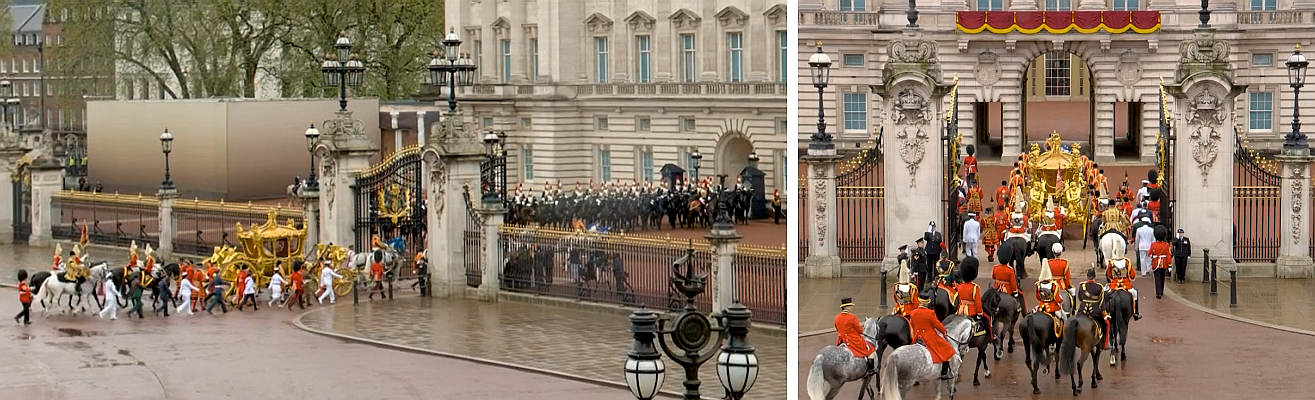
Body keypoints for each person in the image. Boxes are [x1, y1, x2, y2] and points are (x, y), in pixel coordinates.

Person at [909, 295, 956, 380]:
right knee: (947, 349)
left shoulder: (913, 312)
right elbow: (937, 324)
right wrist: (944, 331)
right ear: (927, 303)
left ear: (919, 302)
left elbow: (912, 324)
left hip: (917, 336)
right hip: (928, 336)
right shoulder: (930, 313)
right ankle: (944, 373)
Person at [834, 297, 877, 373]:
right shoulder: (852, 317)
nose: (852, 307)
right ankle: (871, 369)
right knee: (871, 350)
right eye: (850, 305)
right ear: (847, 307)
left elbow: (837, 328)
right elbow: (859, 330)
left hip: (842, 340)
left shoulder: (837, 317)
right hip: (853, 339)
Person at [955, 258, 991, 341]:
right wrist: (979, 313)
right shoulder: (975, 287)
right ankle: (991, 337)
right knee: (988, 319)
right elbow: (977, 303)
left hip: (960, 311)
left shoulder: (959, 286)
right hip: (971, 311)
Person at [1076, 269, 1110, 349]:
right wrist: (1104, 312)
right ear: (1094, 277)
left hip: (1083, 311)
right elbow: (1101, 302)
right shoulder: (1099, 287)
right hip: (1095, 312)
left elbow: (1080, 298)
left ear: (1087, 277)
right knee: (1105, 324)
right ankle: (1103, 344)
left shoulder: (1082, 286)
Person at [1106, 253, 1141, 320]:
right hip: (1126, 285)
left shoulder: (1111, 262)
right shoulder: (1127, 261)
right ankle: (1136, 313)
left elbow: (1109, 275)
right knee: (1135, 294)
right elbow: (1132, 276)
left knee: (1105, 293)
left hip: (1114, 285)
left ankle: (1105, 312)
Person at [1150, 227, 1173, 299]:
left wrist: (1153, 256)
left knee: (1157, 278)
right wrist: (1169, 265)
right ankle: (1162, 291)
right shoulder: (1166, 245)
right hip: (1164, 263)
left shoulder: (1153, 244)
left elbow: (1149, 254)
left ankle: (1158, 292)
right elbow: (1168, 256)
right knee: (1162, 277)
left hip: (1156, 263)